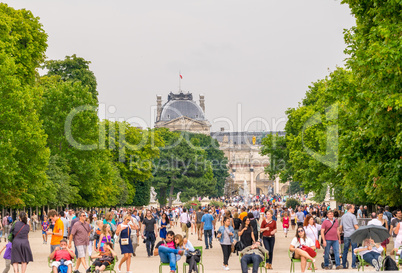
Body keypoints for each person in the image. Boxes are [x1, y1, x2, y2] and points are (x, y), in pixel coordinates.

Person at [339, 204, 359, 269]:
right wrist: (359, 231)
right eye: (353, 208)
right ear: (350, 209)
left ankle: (344, 265)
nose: (354, 210)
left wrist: (341, 231)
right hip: (353, 234)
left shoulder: (343, 216)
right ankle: (353, 265)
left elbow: (341, 226)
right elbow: (355, 226)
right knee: (354, 250)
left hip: (346, 235)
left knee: (345, 250)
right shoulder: (353, 216)